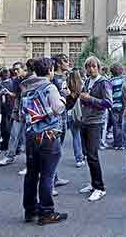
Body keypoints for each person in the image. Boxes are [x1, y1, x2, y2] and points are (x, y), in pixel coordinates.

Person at [22, 57, 68, 225]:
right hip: (48, 135)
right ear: (49, 70)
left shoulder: (26, 87)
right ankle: (46, 212)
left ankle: (30, 210)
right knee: (47, 175)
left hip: (30, 135)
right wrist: (63, 98)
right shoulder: (50, 87)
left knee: (31, 174)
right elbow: (58, 109)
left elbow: (23, 113)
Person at [78, 56, 113, 202]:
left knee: (92, 155)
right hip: (85, 120)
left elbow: (108, 103)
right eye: (88, 66)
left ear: (98, 67)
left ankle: (100, 188)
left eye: (93, 66)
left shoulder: (104, 82)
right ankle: (93, 183)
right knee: (87, 154)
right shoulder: (87, 81)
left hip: (96, 121)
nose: (91, 69)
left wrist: (88, 99)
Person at [0, 61, 28, 166]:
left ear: (24, 68)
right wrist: (8, 93)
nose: (15, 71)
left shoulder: (31, 79)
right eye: (14, 69)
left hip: (29, 112)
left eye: (17, 69)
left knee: (27, 138)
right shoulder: (15, 80)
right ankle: (9, 156)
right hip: (18, 110)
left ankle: (29, 163)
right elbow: (16, 95)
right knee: (14, 135)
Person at [51, 54, 71, 189]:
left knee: (58, 149)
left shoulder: (64, 77)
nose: (68, 63)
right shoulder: (54, 79)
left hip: (63, 115)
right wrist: (66, 93)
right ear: (59, 64)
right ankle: (50, 181)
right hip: (57, 116)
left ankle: (55, 177)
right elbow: (60, 95)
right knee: (54, 149)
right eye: (65, 61)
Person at [65, 69, 85, 167]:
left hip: (69, 114)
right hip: (80, 114)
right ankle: (83, 155)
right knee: (82, 135)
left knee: (75, 137)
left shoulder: (67, 88)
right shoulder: (82, 87)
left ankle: (78, 159)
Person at [109, 63, 126, 150]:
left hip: (114, 105)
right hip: (123, 105)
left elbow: (109, 94)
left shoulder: (110, 81)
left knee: (116, 125)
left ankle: (117, 143)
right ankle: (122, 143)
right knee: (122, 123)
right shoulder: (124, 80)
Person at [0, 68, 14, 152]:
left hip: (4, 108)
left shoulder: (1, 85)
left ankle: (5, 144)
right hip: (12, 107)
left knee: (5, 126)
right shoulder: (13, 83)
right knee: (10, 126)